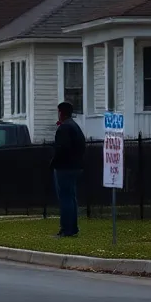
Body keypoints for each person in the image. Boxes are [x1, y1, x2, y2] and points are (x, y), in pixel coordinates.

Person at [51, 101, 86, 237]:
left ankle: (66, 229)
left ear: (61, 112)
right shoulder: (75, 126)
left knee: (65, 198)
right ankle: (73, 227)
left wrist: (54, 162)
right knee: (71, 197)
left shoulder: (64, 128)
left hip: (64, 168)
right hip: (75, 166)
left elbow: (61, 149)